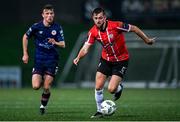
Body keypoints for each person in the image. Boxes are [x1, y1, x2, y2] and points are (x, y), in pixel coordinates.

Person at [73, 7, 155, 118]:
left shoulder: (116, 25)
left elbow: (134, 28)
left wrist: (147, 40)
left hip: (121, 60)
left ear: (105, 18)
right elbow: (86, 47)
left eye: (100, 18)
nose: (98, 20)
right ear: (93, 18)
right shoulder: (92, 32)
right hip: (106, 60)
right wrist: (78, 57)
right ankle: (99, 111)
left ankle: (119, 88)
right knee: (98, 86)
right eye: (96, 18)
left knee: (111, 89)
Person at [22, 4, 65, 115]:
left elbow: (63, 44)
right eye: (47, 13)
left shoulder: (57, 27)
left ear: (54, 14)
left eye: (51, 13)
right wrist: (25, 54)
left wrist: (55, 42)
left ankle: (43, 105)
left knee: (46, 87)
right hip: (39, 61)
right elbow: (25, 37)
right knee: (36, 86)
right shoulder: (36, 27)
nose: (49, 16)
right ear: (43, 15)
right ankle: (41, 78)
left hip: (52, 61)